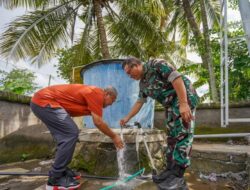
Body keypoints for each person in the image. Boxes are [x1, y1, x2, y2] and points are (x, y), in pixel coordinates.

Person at [120, 57, 199, 190]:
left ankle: (178, 177)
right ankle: (170, 172)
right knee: (172, 137)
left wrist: (184, 104)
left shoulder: (156, 64)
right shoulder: (143, 84)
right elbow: (139, 102)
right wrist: (127, 118)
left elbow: (176, 78)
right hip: (170, 105)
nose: (129, 76)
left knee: (182, 135)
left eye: (129, 72)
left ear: (136, 65)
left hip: (183, 97)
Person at [30, 84, 123, 189]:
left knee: (66, 136)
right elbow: (98, 122)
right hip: (44, 101)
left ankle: (62, 170)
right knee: (70, 133)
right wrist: (114, 136)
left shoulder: (93, 97)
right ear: (107, 94)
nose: (111, 104)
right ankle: (55, 179)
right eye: (113, 100)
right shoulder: (97, 94)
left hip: (43, 103)